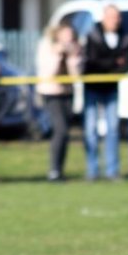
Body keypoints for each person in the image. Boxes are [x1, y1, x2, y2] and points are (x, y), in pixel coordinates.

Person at [82, 4, 128, 181]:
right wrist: (114, 62)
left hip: (112, 88)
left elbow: (126, 65)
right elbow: (91, 63)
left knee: (112, 130)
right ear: (103, 18)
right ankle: (92, 171)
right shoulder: (92, 35)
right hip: (92, 88)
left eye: (117, 17)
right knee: (90, 130)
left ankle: (112, 171)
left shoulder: (125, 36)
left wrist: (111, 64)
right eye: (111, 17)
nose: (115, 20)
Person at [36, 21, 82, 182]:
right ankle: (54, 170)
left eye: (70, 35)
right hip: (51, 93)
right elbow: (49, 73)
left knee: (65, 133)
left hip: (67, 92)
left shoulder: (76, 49)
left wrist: (72, 58)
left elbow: (76, 76)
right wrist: (57, 54)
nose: (68, 39)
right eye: (65, 35)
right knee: (60, 130)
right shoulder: (47, 47)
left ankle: (59, 170)